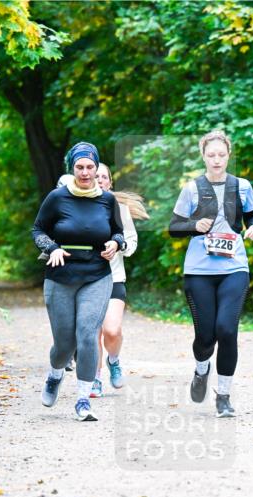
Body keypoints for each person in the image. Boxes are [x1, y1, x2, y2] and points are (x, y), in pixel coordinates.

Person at [168, 130, 253, 417]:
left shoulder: (242, 186)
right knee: (206, 336)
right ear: (203, 156)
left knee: (227, 330)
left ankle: (224, 395)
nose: (217, 160)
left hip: (234, 268)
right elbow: (173, 227)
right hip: (199, 271)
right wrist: (194, 226)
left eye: (222, 155)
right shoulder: (192, 189)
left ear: (228, 155)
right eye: (211, 155)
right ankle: (201, 369)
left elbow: (251, 216)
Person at [32, 141, 126, 421]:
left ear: (97, 169)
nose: (86, 173)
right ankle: (55, 373)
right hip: (60, 276)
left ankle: (83, 399)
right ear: (72, 169)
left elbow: (119, 233)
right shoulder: (57, 198)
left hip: (97, 275)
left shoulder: (107, 200)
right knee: (64, 345)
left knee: (87, 335)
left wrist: (115, 244)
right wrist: (52, 248)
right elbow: (38, 229)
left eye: (90, 167)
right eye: (80, 167)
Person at [90, 162, 145, 397]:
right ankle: (93, 379)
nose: (100, 179)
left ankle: (114, 360)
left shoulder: (119, 209)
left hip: (114, 278)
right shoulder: (78, 206)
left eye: (105, 177)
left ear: (110, 182)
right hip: (86, 280)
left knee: (111, 331)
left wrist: (118, 244)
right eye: (97, 175)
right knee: (92, 333)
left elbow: (131, 242)